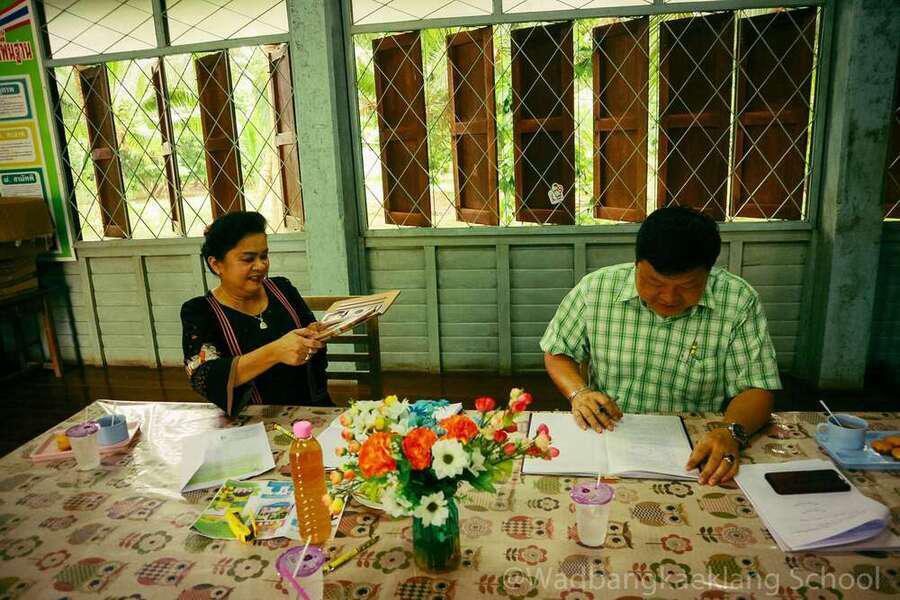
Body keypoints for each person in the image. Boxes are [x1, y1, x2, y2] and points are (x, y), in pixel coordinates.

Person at [541, 206, 780, 486]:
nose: (668, 297)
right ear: (636, 264)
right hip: (607, 434)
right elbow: (557, 351)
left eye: (687, 286)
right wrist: (579, 393)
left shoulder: (738, 301)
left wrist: (730, 431)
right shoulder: (595, 289)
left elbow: (757, 387)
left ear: (709, 273)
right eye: (654, 282)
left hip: (694, 449)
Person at [180, 211, 329, 415]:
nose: (260, 266)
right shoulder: (200, 312)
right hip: (252, 419)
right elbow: (204, 376)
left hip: (310, 409)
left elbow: (309, 333)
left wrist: (315, 333)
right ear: (216, 264)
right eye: (248, 259)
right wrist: (276, 351)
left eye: (264, 256)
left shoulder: (282, 289)